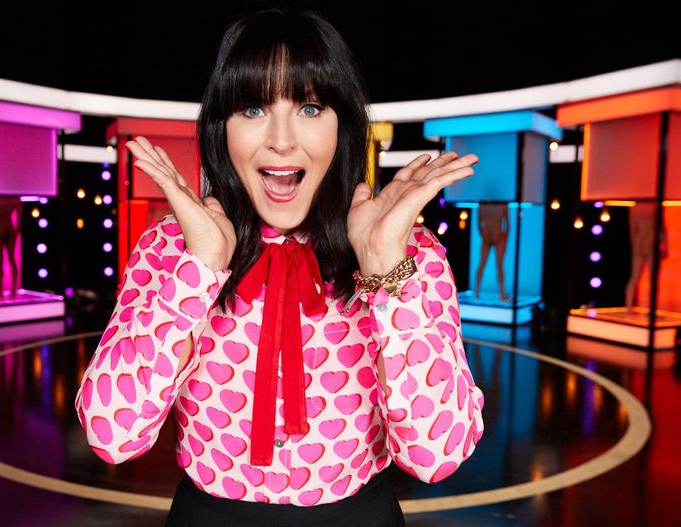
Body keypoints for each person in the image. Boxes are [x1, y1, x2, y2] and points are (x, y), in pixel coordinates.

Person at [75, 8, 484, 526]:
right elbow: (111, 436)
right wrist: (198, 269)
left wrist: (385, 270)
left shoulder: (409, 252)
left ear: (343, 127)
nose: (282, 140)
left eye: (310, 108)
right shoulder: (169, 246)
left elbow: (437, 455)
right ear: (221, 128)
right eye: (253, 108)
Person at [624, 201, 668, 308]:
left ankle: (632, 307)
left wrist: (665, 246)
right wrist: (665, 246)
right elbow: (661, 228)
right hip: (647, 244)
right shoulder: (653, 206)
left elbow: (633, 230)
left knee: (640, 277)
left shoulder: (638, 207)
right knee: (645, 278)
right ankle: (634, 306)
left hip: (644, 244)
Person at [474, 202, 510, 303]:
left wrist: (504, 239)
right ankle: (476, 292)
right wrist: (483, 235)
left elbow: (507, 224)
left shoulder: (502, 204)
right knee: (482, 264)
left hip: (499, 237)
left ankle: (502, 294)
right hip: (488, 237)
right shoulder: (482, 205)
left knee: (499, 265)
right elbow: (479, 223)